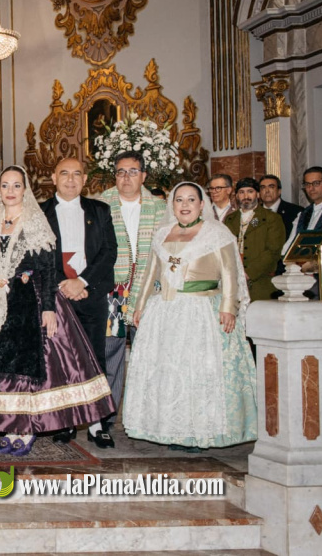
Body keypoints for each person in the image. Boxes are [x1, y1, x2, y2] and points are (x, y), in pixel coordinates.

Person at [0, 166, 113, 457]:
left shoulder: (35, 222)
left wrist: (48, 308)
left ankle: (27, 427)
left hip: (30, 302)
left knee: (28, 368)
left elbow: (47, 269)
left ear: (25, 189)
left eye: (16, 185)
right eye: (5, 185)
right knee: (2, 366)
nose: (10, 191)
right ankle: (10, 425)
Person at [127, 182, 257, 451]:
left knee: (198, 371)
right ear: (172, 205)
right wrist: (140, 306)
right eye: (179, 200)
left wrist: (228, 307)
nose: (184, 205)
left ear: (201, 204)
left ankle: (200, 432)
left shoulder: (216, 233)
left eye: (190, 200)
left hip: (201, 311)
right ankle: (171, 429)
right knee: (168, 372)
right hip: (165, 311)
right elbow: (150, 273)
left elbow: (230, 273)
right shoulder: (162, 233)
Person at [41, 158, 118, 448]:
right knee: (60, 359)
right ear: (53, 177)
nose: (70, 179)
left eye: (77, 174)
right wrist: (63, 284)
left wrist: (82, 282)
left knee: (94, 358)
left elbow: (109, 252)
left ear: (85, 179)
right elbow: (38, 255)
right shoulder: (40, 212)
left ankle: (98, 423)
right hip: (56, 297)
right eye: (64, 173)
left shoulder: (100, 210)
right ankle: (66, 420)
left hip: (91, 294)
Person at [95, 150, 168, 436]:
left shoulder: (160, 208)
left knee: (149, 355)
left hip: (149, 291)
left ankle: (149, 418)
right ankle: (106, 417)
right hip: (113, 291)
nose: (126, 177)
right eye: (121, 172)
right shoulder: (101, 204)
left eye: (133, 171)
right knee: (110, 352)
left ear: (144, 175)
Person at [224, 177, 284, 302]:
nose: (246, 196)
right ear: (236, 196)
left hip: (260, 282)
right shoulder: (230, 219)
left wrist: (248, 273)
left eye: (250, 191)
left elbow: (273, 251)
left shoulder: (271, 218)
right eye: (241, 192)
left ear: (257, 194)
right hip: (233, 281)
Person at [282, 166, 322, 298]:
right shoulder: (303, 214)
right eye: (307, 184)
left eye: (316, 183)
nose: (311, 188)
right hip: (302, 278)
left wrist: (310, 265)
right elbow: (289, 246)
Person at [259, 173, 303, 239]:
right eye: (263, 187)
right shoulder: (254, 212)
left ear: (279, 191)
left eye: (271, 187)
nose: (267, 191)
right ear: (259, 192)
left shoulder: (296, 212)